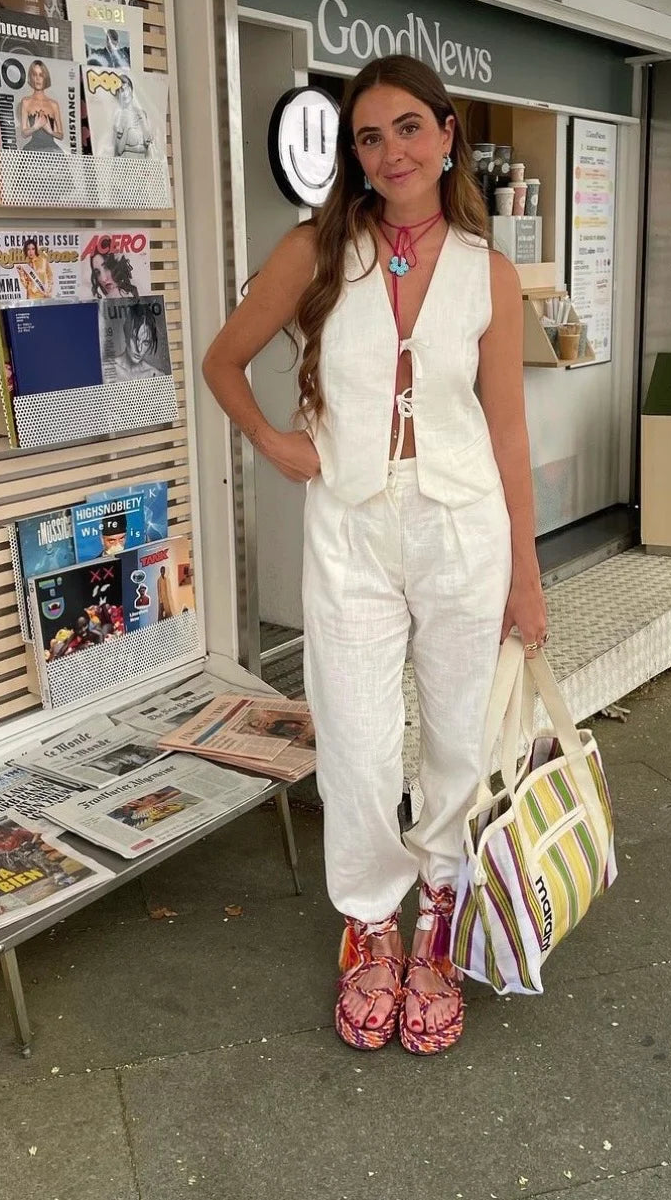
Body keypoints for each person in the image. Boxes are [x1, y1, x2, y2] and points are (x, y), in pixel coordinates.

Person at [203, 54, 547, 1055]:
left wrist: (526, 575)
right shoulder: (314, 251)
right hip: (350, 525)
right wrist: (276, 443)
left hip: (461, 529)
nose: (389, 150)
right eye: (367, 135)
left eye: (407, 128)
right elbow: (225, 361)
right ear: (352, 156)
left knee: (453, 734)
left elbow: (509, 431)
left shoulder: (489, 274)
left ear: (447, 136)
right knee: (355, 738)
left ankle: (439, 910)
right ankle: (369, 919)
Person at [18, 60, 65, 153]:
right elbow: (24, 133)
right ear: (31, 77)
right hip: (33, 149)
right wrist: (35, 127)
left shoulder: (53, 104)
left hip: (52, 150)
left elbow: (61, 135)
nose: (38, 79)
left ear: (45, 77)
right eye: (35, 75)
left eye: (41, 75)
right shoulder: (26, 102)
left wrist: (50, 131)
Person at [112, 74, 155, 157]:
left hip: (142, 164)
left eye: (125, 89)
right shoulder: (119, 116)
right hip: (126, 164)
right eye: (120, 91)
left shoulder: (141, 113)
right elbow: (119, 150)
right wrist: (127, 128)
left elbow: (146, 147)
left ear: (131, 89)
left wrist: (128, 148)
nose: (124, 94)